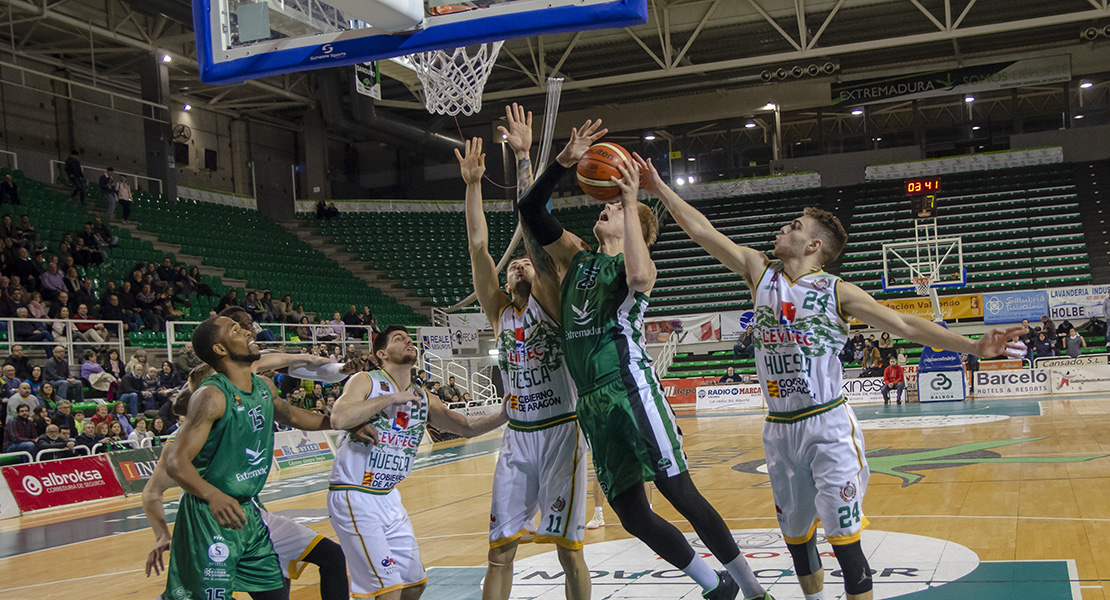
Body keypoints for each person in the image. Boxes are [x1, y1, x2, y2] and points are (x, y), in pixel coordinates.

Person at [650, 155, 1026, 600]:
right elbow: (702, 231)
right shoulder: (760, 273)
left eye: (794, 225)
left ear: (813, 246)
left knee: (845, 542)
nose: (783, 228)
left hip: (827, 426)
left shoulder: (837, 291)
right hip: (779, 429)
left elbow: (904, 326)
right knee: (797, 540)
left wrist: (973, 346)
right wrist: (658, 189)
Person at [515, 119, 767, 600]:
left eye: (613, 206)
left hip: (630, 389)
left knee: (680, 494)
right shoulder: (576, 257)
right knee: (632, 515)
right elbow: (530, 210)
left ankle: (756, 592)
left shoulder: (636, 266)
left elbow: (637, 273)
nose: (605, 207)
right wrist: (564, 162)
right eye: (608, 204)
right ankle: (716, 587)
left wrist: (632, 200)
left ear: (637, 228)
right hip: (591, 402)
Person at [459, 126, 591, 600]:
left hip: (561, 430)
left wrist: (523, 157)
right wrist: (473, 186)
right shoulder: (499, 312)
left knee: (567, 549)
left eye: (526, 263)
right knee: (500, 551)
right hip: (518, 437)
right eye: (512, 264)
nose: (518, 264)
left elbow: (536, 228)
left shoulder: (553, 301)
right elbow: (479, 247)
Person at [160, 315, 339, 600]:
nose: (247, 330)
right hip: (209, 517)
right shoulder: (212, 395)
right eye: (235, 330)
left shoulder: (263, 388)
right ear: (220, 349)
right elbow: (175, 462)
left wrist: (342, 421)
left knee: (276, 593)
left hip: (249, 516)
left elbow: (293, 415)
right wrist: (212, 495)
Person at [328, 326, 509, 600]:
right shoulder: (367, 380)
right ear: (382, 353)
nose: (408, 341)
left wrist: (503, 415)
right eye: (399, 339)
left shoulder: (422, 396)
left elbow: (467, 426)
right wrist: (391, 398)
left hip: (388, 497)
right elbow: (339, 418)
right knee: (388, 590)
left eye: (409, 338)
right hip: (354, 494)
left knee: (415, 584)